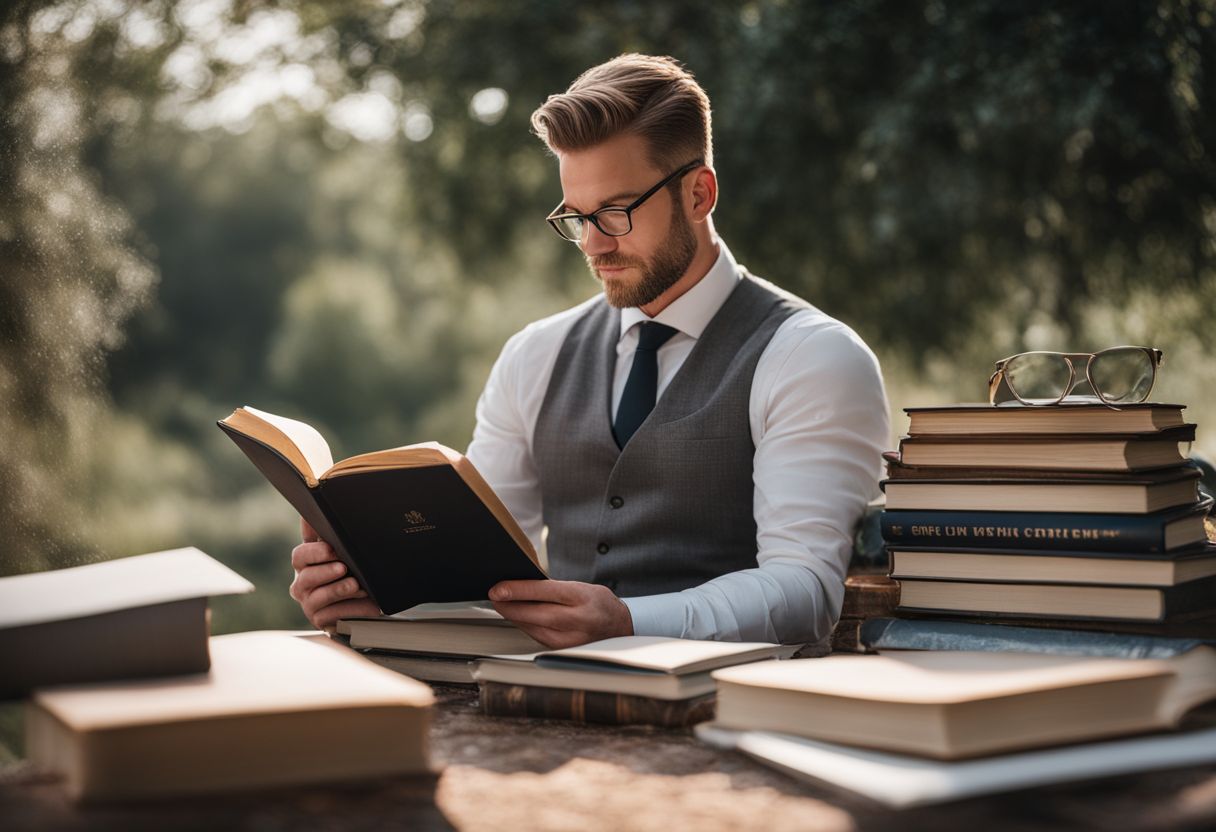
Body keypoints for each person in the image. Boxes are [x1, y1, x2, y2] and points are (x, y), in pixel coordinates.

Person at [289, 54, 889, 648]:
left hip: (735, 715)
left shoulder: (814, 358)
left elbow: (806, 594)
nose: (595, 244)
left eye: (617, 212)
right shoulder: (534, 356)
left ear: (700, 194)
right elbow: (473, 578)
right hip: (540, 712)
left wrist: (630, 622)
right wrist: (377, 601)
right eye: (576, 217)